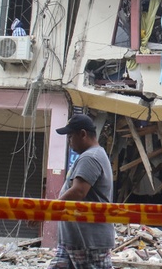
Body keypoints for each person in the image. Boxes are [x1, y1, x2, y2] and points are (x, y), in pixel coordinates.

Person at [50, 114, 115, 269]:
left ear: (83, 134)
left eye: (71, 137)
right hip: (74, 239)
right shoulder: (93, 155)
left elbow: (78, 192)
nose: (69, 141)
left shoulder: (90, 157)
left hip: (87, 241)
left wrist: (46, 211)